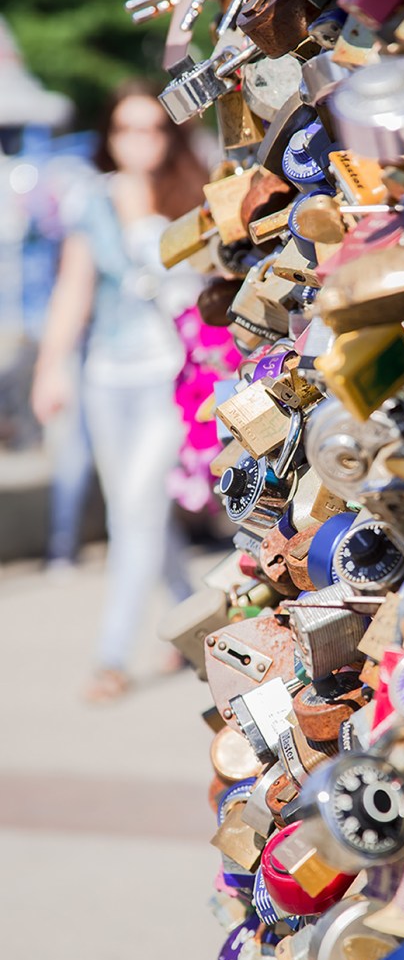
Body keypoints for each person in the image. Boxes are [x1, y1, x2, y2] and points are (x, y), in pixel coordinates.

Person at [31, 79, 210, 701]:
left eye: (153, 129)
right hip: (107, 379)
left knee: (134, 510)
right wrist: (50, 367)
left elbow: (204, 293)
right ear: (110, 138)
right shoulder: (95, 200)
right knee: (140, 511)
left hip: (171, 380)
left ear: (171, 134)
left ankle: (110, 655)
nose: (141, 142)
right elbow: (73, 291)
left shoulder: (191, 197)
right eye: (128, 130)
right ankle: (194, 623)